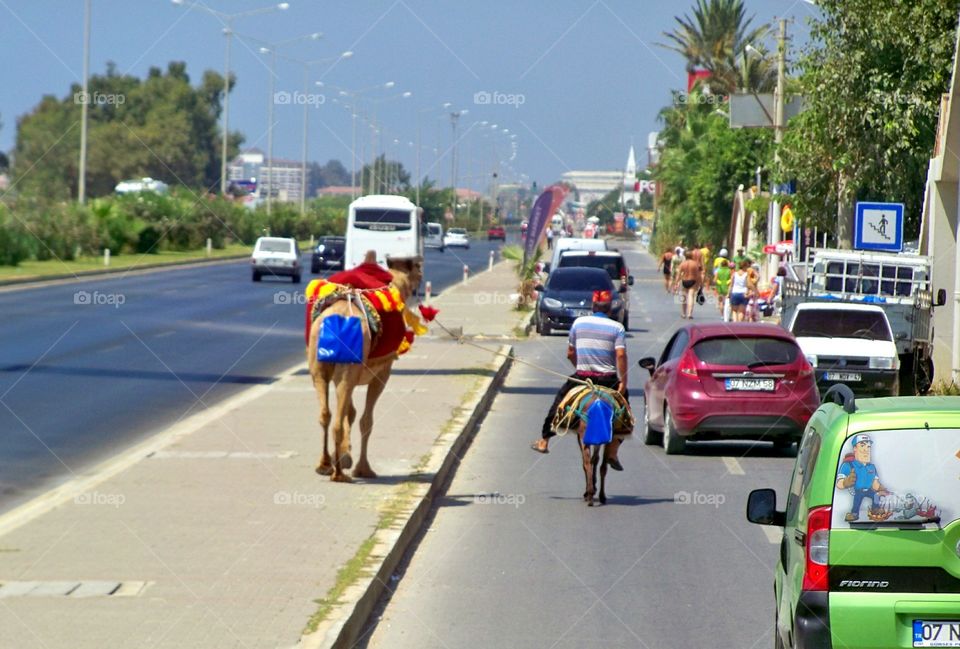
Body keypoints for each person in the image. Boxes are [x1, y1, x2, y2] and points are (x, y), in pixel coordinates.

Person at [531, 290, 628, 469]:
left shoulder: (578, 323)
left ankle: (544, 440)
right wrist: (623, 381)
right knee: (625, 413)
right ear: (610, 308)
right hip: (609, 380)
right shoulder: (617, 327)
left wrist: (580, 366)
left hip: (582, 378)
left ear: (593, 306)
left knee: (558, 404)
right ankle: (613, 452)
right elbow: (620, 354)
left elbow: (570, 353)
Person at [678, 254, 700, 319]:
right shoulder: (695, 264)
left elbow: (678, 274)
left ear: (685, 256)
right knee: (691, 297)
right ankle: (689, 313)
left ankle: (683, 313)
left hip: (684, 281)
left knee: (684, 297)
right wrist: (699, 283)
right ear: (692, 256)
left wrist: (676, 283)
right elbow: (698, 275)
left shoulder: (682, 264)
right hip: (692, 281)